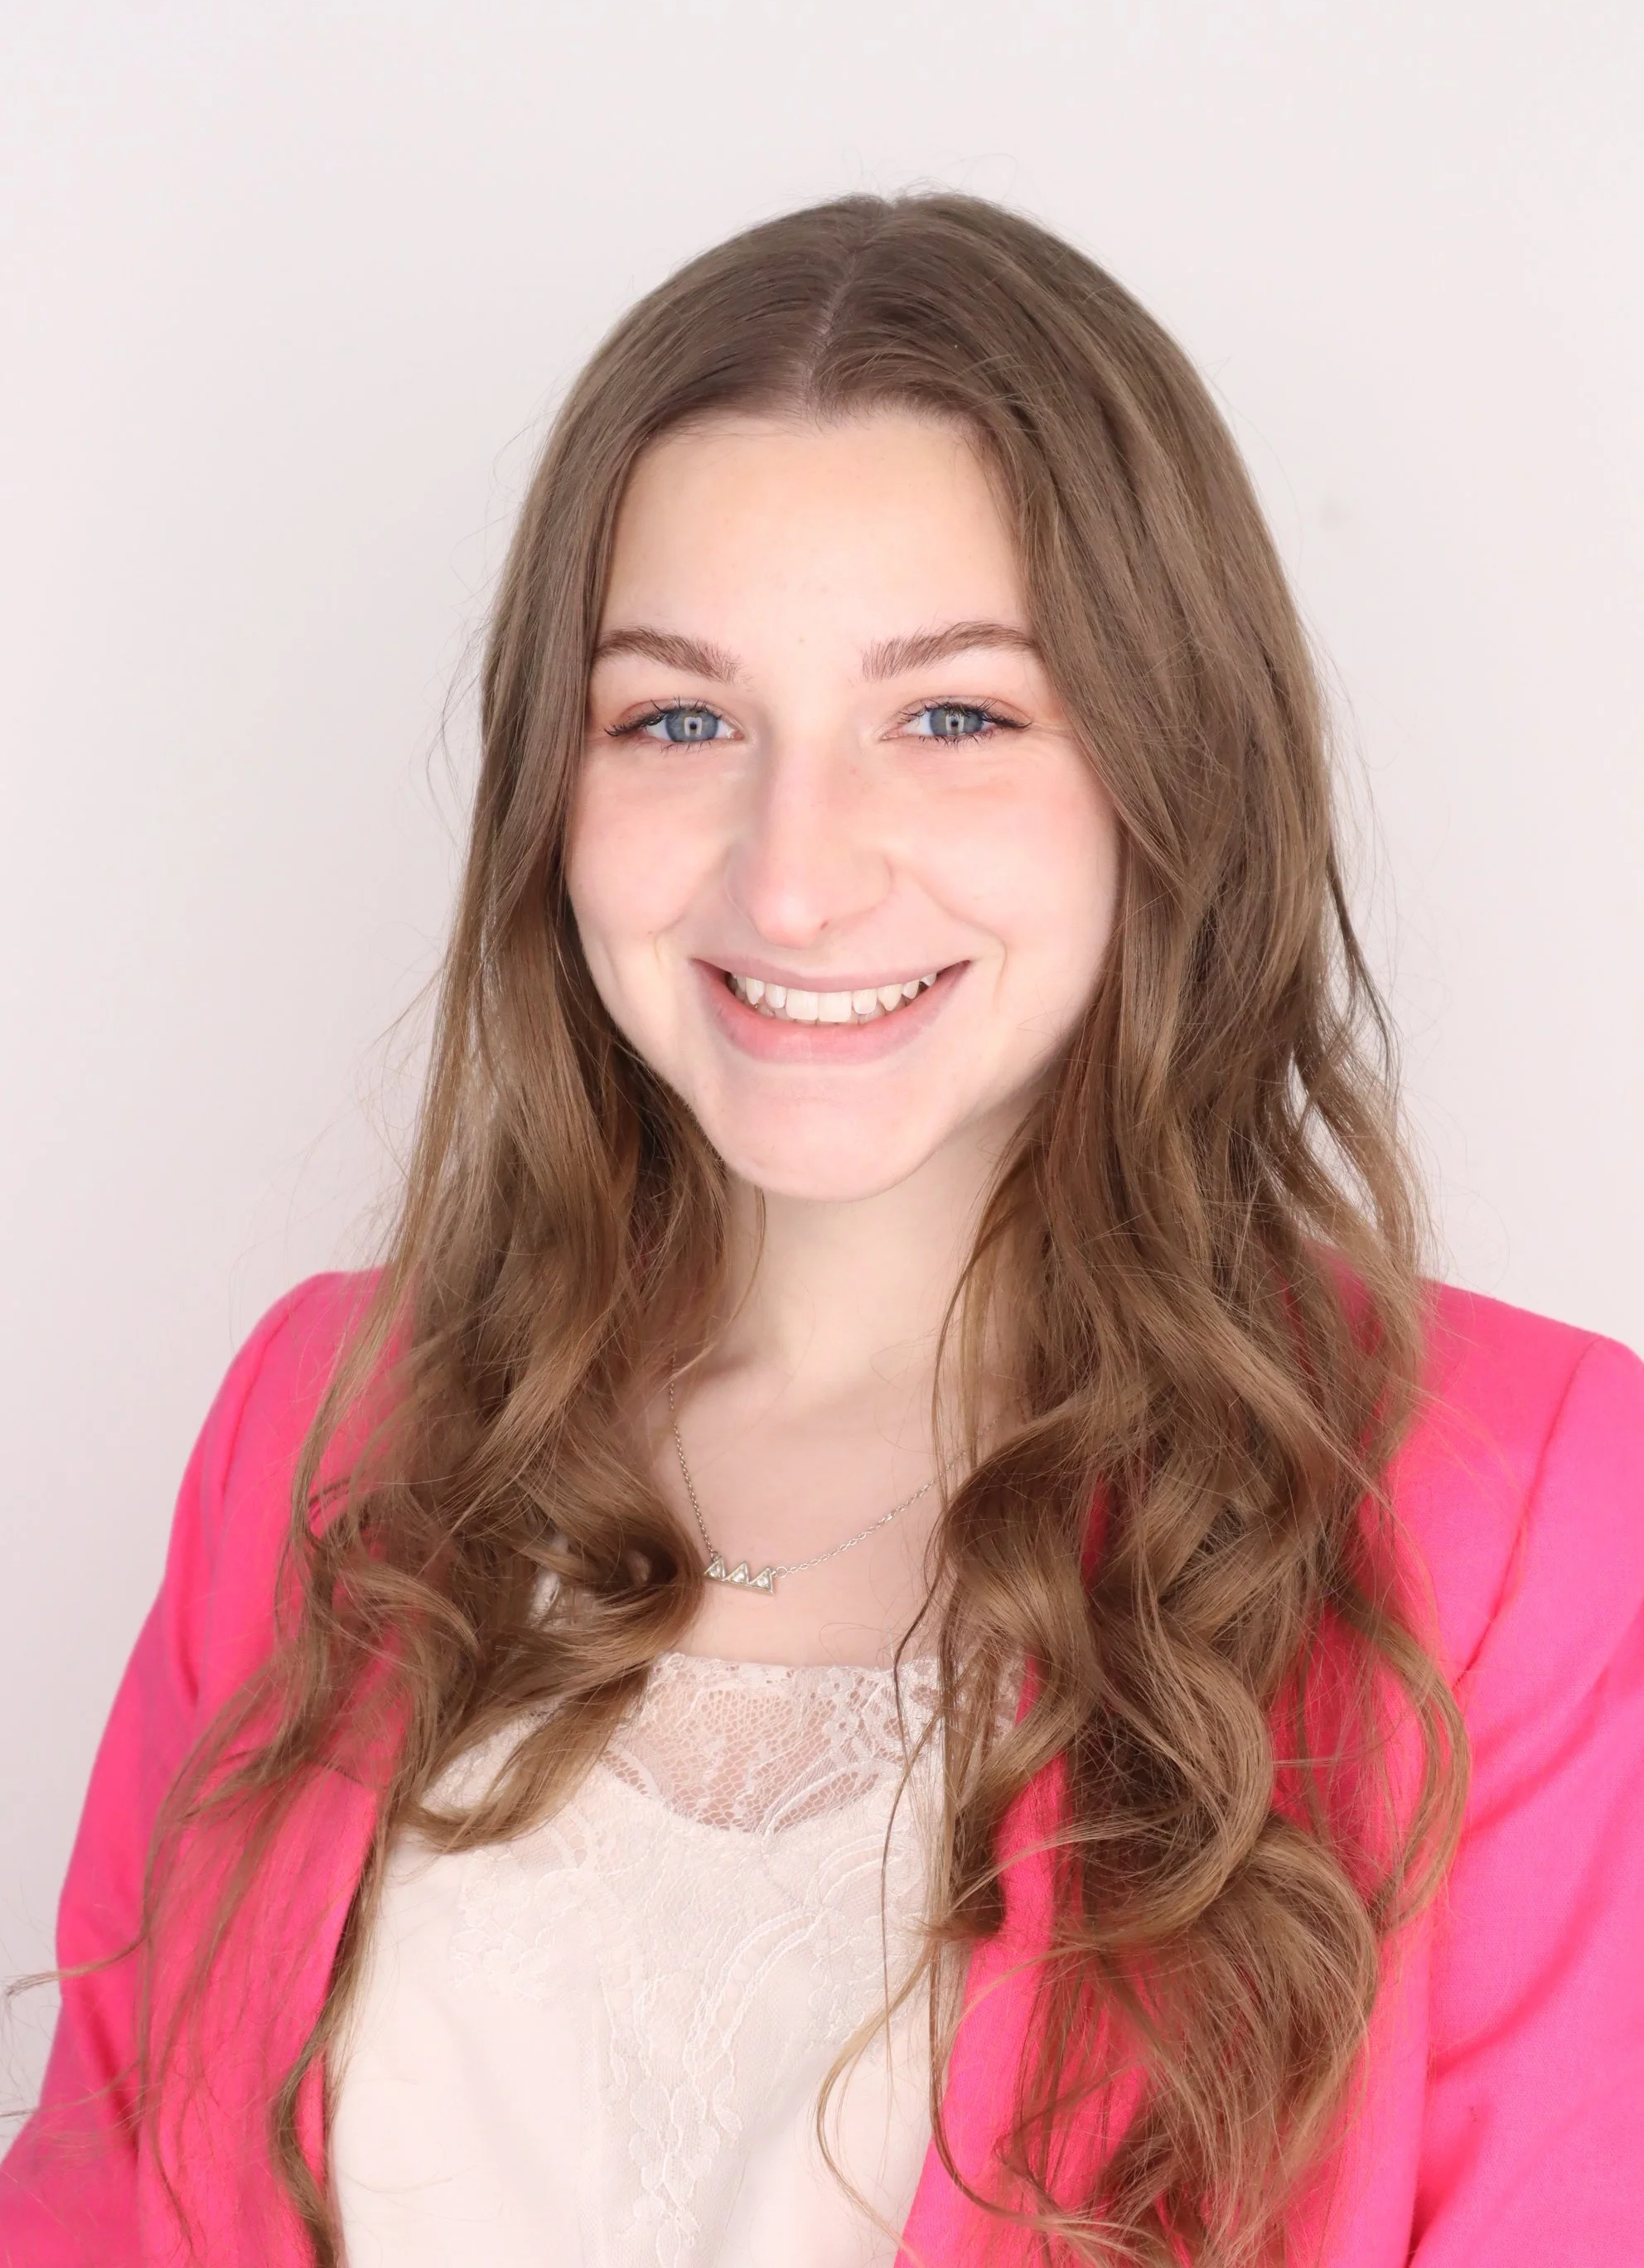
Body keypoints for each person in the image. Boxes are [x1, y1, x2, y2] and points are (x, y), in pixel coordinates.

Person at [2, 194, 1641, 2268]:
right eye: (676, 719)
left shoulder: (1514, 1506)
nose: (789, 880)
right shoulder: (324, 1416)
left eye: (951, 718)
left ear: (1169, 766)